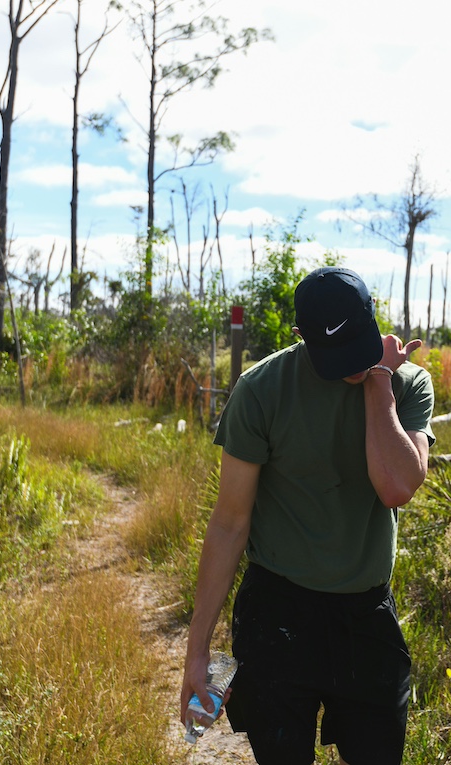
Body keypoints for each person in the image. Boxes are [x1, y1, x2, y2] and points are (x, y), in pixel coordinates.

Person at [179, 266, 435, 765]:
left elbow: (397, 485)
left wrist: (379, 380)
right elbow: (230, 522)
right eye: (336, 356)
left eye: (359, 347)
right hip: (278, 612)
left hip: (364, 613)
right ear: (301, 336)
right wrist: (196, 650)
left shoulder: (407, 384)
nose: (351, 366)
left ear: (373, 320)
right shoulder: (261, 389)